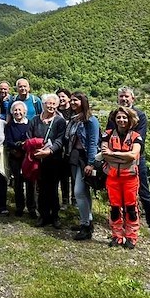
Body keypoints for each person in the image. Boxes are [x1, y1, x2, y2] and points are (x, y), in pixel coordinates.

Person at [106, 87, 150, 244]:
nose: (124, 99)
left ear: (133, 98)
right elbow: (107, 138)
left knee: (144, 193)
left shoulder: (140, 116)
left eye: (126, 96)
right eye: (121, 96)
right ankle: (119, 233)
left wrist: (117, 154)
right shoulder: (114, 115)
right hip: (114, 164)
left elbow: (138, 144)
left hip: (135, 161)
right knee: (116, 200)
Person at [101, 106, 142, 248]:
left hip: (130, 178)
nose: (121, 120)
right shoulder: (107, 134)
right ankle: (117, 236)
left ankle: (131, 237)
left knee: (131, 209)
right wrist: (123, 157)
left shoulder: (136, 136)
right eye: (119, 117)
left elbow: (133, 155)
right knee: (115, 208)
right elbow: (104, 153)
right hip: (112, 177)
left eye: (124, 117)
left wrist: (113, 154)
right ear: (114, 119)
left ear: (130, 119)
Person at [27, 93, 66, 228]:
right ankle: (43, 215)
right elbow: (29, 137)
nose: (51, 106)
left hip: (53, 159)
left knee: (53, 188)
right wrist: (36, 151)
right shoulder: (34, 120)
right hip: (38, 159)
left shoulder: (59, 121)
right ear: (43, 105)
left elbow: (60, 139)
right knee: (41, 188)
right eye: (48, 103)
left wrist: (49, 151)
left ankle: (55, 216)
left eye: (53, 104)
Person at [65, 92, 99, 240]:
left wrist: (91, 163)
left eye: (76, 100)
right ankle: (87, 222)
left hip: (85, 158)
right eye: (71, 100)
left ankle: (85, 226)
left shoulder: (90, 120)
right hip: (74, 157)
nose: (72, 102)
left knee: (78, 191)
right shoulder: (73, 120)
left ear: (83, 102)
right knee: (83, 192)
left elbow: (92, 143)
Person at [4, 100, 36, 218]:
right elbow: (8, 142)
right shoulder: (9, 125)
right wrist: (20, 145)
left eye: (19, 110)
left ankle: (32, 208)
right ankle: (19, 207)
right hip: (15, 158)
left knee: (30, 184)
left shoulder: (30, 124)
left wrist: (23, 145)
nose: (17, 112)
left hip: (28, 158)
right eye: (15, 110)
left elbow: (32, 140)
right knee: (17, 184)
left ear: (25, 112)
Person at [56, 88, 75, 210]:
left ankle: (75, 199)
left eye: (63, 96)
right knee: (62, 174)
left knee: (73, 174)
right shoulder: (55, 112)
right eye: (59, 97)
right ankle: (65, 200)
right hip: (60, 147)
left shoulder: (74, 111)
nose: (61, 99)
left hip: (73, 147)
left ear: (69, 97)